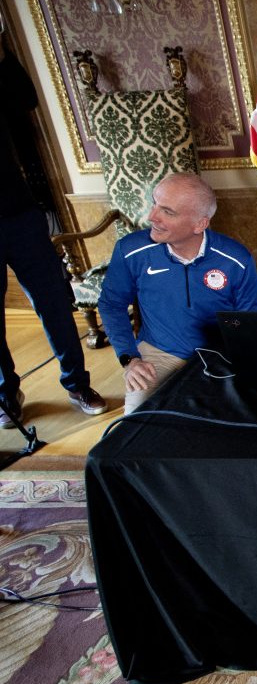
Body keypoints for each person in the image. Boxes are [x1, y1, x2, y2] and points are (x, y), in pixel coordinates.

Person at [1, 42, 106, 428]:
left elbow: (25, 99)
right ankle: (6, 394)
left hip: (19, 212)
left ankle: (78, 384)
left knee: (55, 303)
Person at [97, 173, 257, 414]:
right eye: (155, 203)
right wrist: (130, 359)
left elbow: (252, 320)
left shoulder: (236, 259)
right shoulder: (131, 250)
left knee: (236, 424)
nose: (152, 216)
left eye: (168, 212)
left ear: (200, 224)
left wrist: (238, 360)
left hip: (219, 356)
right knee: (134, 427)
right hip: (158, 354)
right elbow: (111, 305)